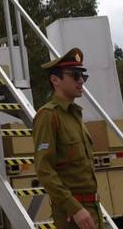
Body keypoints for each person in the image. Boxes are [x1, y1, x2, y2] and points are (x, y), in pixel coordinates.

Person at [32, 47, 101, 229]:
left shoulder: (74, 115)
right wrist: (74, 208)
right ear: (55, 80)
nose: (81, 81)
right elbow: (44, 169)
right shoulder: (48, 115)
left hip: (91, 209)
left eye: (83, 77)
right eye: (75, 75)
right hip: (72, 214)